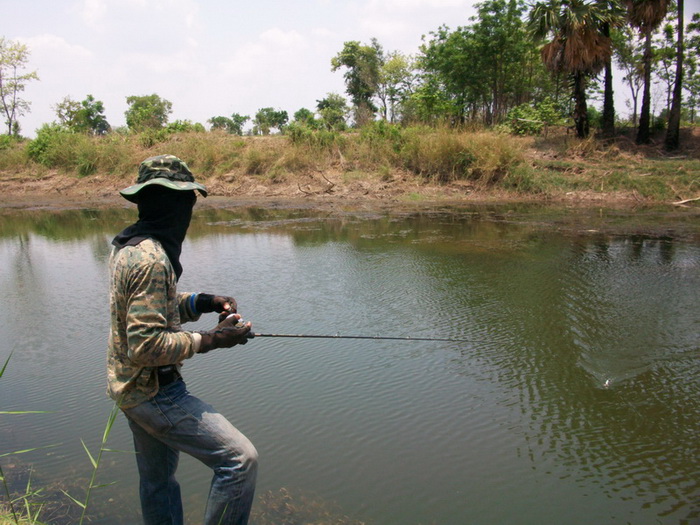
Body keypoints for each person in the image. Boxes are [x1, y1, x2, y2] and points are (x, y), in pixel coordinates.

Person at [106, 154, 258, 525]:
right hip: (155, 392)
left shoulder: (130, 245)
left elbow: (150, 308)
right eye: (186, 202)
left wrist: (203, 302)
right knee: (240, 460)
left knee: (157, 482)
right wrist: (214, 339)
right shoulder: (152, 260)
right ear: (173, 206)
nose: (188, 212)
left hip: (129, 389)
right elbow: (146, 347)